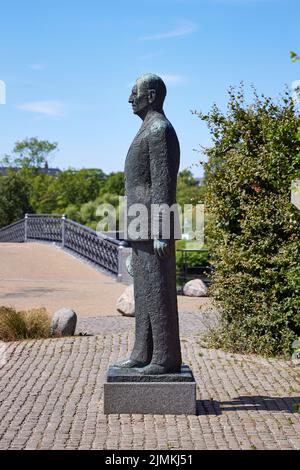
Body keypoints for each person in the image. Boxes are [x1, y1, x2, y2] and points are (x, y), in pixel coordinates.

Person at [115, 73, 182, 375]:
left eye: (134, 93)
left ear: (151, 96)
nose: (130, 99)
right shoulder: (148, 129)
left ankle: (165, 357)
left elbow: (163, 185)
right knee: (143, 293)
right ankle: (142, 353)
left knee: (158, 292)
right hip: (141, 226)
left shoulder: (159, 130)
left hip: (154, 227)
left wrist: (162, 232)